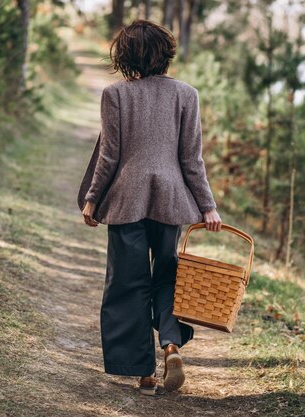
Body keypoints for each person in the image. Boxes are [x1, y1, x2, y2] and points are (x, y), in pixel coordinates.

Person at [76, 18, 222, 395]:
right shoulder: (187, 95)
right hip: (172, 200)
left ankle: (144, 373)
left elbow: (109, 156)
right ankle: (171, 346)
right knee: (167, 277)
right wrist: (208, 207)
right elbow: (192, 160)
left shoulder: (116, 95)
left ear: (125, 56)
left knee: (128, 283)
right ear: (166, 53)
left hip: (127, 200)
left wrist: (92, 199)